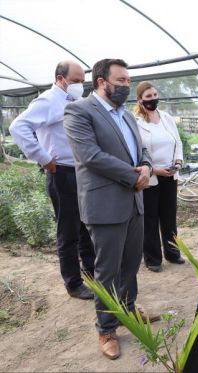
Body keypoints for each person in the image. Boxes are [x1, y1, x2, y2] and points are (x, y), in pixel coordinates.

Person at [63, 59, 159, 360]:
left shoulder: (127, 116)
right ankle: (106, 329)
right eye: (120, 81)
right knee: (107, 270)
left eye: (128, 80)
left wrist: (145, 166)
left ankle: (128, 311)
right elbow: (91, 156)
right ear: (102, 82)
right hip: (105, 204)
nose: (126, 86)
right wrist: (135, 176)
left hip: (134, 200)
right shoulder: (79, 111)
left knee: (130, 264)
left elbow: (141, 150)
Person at [9, 60, 95, 300]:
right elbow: (19, 127)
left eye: (82, 81)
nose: (80, 85)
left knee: (85, 227)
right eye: (76, 81)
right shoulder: (48, 100)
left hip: (79, 172)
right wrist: (43, 157)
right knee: (68, 232)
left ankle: (90, 274)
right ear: (60, 78)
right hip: (62, 173)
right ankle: (73, 283)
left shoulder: (73, 101)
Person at [133, 81, 185, 272]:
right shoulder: (136, 122)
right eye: (148, 97)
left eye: (155, 95)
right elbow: (136, 152)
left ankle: (173, 253)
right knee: (150, 218)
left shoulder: (166, 118)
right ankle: (153, 259)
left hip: (170, 175)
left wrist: (178, 162)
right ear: (140, 100)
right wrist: (154, 170)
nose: (153, 99)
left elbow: (177, 142)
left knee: (169, 216)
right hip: (151, 177)